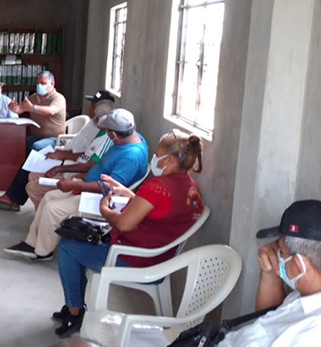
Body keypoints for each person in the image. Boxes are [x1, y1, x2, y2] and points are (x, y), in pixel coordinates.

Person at [53, 129, 205, 338]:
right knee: (77, 240)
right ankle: (74, 303)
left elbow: (123, 224)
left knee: (68, 247)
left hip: (136, 258)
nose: (154, 158)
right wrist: (129, 195)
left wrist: (105, 208)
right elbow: (159, 211)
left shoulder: (158, 186)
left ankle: (74, 312)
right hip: (161, 256)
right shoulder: (189, 186)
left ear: (168, 159)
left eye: (157, 154)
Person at [3, 109, 148, 262]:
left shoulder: (131, 156)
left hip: (102, 199)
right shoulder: (130, 138)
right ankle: (31, 243)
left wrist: (74, 185)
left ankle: (42, 251)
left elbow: (109, 187)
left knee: (53, 208)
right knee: (48, 197)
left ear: (113, 134)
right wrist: (82, 178)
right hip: (87, 185)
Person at [217, 199, 321, 346]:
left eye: (281, 252)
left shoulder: (311, 334)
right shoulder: (302, 296)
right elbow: (265, 317)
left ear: (300, 266)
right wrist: (269, 271)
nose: (277, 255)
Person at [0, 99, 115, 212]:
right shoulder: (93, 125)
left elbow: (86, 160)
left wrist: (61, 158)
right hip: (65, 150)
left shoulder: (57, 99)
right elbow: (84, 152)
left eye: (92, 107)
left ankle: (14, 198)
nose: (89, 108)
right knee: (32, 156)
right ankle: (16, 200)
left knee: (36, 148)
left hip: (57, 144)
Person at [23, 100, 116, 208]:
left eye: (96, 117)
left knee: (33, 188)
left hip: (77, 174)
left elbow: (89, 165)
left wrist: (59, 168)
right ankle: (40, 211)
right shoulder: (98, 131)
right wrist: (62, 155)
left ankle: (46, 210)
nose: (94, 119)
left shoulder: (107, 138)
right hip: (73, 166)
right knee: (33, 175)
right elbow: (86, 154)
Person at [8, 71, 66, 152]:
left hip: (54, 138)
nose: (39, 86)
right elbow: (21, 108)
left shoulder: (58, 98)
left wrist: (32, 108)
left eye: (43, 83)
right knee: (19, 143)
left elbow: (51, 110)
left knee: (37, 146)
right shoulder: (33, 98)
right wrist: (13, 108)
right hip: (36, 136)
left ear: (52, 84)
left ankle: (31, 165)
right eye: (37, 83)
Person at [55, 89, 116, 154]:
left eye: (93, 106)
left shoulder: (102, 133)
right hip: (64, 149)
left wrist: (61, 154)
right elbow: (77, 140)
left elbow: (85, 154)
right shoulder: (91, 123)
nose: (89, 108)